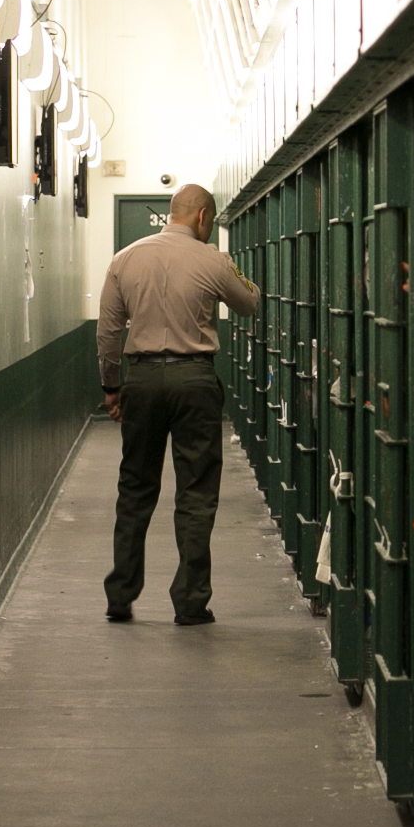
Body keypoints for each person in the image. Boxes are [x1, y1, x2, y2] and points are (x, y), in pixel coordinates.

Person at [97, 183, 259, 624]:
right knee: (196, 491)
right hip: (195, 380)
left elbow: (109, 334)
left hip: (143, 379)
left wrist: (113, 388)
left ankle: (120, 595)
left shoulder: (123, 259)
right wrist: (234, 272)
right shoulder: (213, 260)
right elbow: (248, 304)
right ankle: (190, 601)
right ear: (204, 217)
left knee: (135, 487)